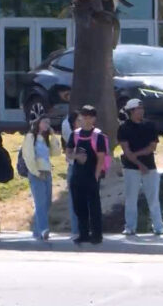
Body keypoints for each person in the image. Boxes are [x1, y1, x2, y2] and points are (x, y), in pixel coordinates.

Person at [118, 99, 163, 236]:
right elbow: (126, 151)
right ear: (131, 111)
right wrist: (140, 165)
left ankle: (158, 226)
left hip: (150, 166)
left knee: (153, 197)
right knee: (131, 198)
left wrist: (137, 156)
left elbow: (152, 147)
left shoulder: (150, 125)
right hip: (130, 168)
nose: (141, 111)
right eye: (138, 109)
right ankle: (130, 227)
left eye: (142, 108)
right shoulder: (124, 128)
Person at [65, 105, 108, 245]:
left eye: (90, 117)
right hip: (77, 176)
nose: (87, 120)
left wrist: (96, 175)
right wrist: (76, 156)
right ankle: (83, 234)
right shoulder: (75, 134)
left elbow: (101, 157)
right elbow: (68, 153)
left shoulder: (98, 136)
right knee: (79, 207)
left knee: (94, 207)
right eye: (84, 117)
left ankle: (97, 235)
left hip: (91, 176)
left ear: (94, 119)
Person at [22, 116, 60, 240]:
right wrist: (36, 172)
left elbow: (56, 152)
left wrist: (53, 136)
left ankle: (37, 229)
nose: (47, 124)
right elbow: (28, 156)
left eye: (49, 122)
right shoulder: (30, 137)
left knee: (47, 202)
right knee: (40, 202)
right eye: (44, 122)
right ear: (38, 123)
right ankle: (44, 229)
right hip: (36, 173)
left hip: (47, 172)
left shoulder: (45, 139)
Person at [61, 109, 80, 237]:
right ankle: (76, 230)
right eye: (79, 119)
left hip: (85, 170)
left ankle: (82, 229)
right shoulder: (71, 135)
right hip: (74, 169)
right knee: (75, 202)